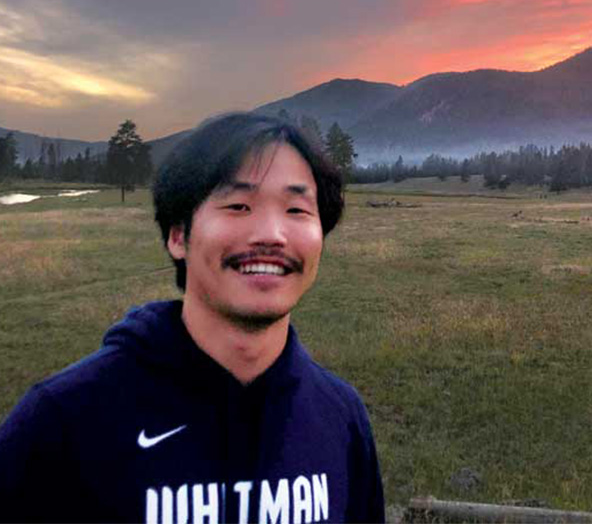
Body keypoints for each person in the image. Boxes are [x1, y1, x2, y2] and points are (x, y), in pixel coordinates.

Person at [0, 113, 384, 523]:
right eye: (239, 205)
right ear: (179, 235)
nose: (273, 233)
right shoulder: (63, 421)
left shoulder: (340, 417)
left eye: (296, 209)